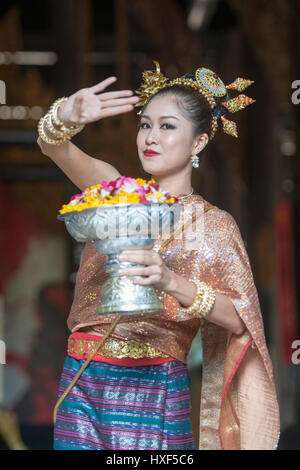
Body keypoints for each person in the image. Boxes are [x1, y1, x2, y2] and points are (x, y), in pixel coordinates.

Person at [37, 62, 280, 450]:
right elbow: (55, 147)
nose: (150, 137)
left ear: (198, 142)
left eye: (167, 126)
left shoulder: (214, 225)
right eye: (145, 124)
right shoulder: (117, 194)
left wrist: (171, 282)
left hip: (156, 388)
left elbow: (241, 319)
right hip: (85, 378)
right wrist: (64, 117)